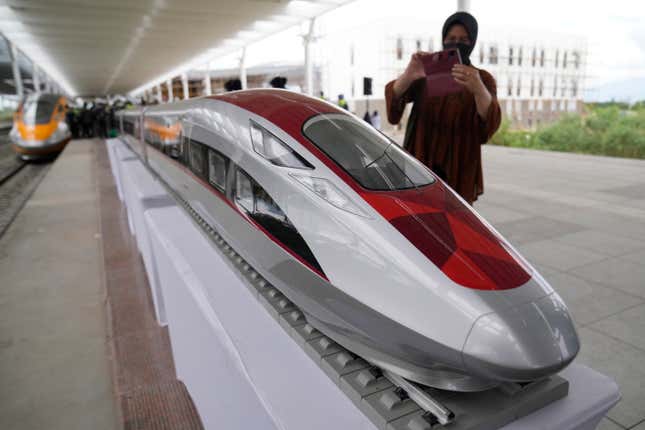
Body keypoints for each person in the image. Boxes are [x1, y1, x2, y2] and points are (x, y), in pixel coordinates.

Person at [385, 11, 501, 205]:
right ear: (443, 40)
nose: (457, 43)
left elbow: (488, 126)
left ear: (472, 42)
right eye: (451, 38)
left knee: (453, 226)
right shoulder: (426, 72)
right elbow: (394, 112)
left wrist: (478, 89)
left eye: (464, 39)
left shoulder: (482, 78)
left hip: (459, 169)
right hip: (421, 163)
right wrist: (409, 75)